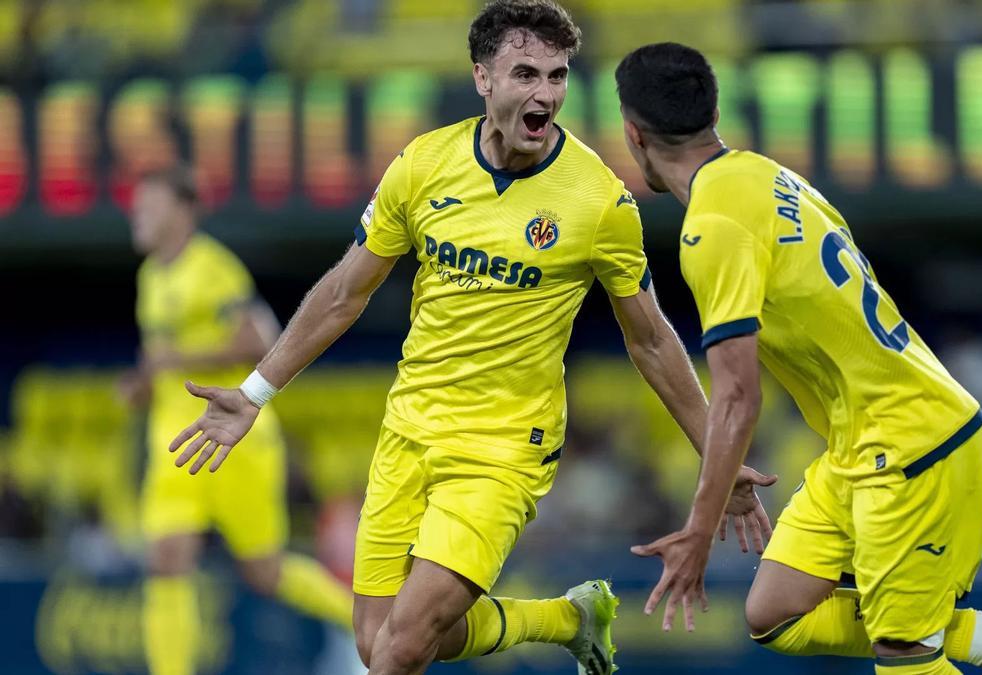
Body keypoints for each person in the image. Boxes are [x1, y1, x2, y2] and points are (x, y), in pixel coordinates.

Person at [166, 3, 774, 675]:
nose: (545, 94)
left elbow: (652, 340)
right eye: (525, 74)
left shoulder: (599, 201)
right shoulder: (423, 165)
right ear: (483, 78)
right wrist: (255, 392)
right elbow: (344, 292)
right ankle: (564, 618)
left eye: (557, 76)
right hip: (410, 429)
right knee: (376, 640)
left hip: (505, 448)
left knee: (399, 650)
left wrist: (715, 455)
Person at [615, 43, 982, 675]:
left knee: (902, 650)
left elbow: (739, 395)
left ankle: (941, 640)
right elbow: (862, 306)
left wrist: (698, 531)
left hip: (903, 447)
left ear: (633, 133)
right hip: (873, 441)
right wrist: (944, 424)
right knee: (776, 614)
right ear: (714, 113)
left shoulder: (714, 228)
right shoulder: (772, 176)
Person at [119, 166, 353, 675]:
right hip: (175, 443)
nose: (137, 214)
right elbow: (162, 360)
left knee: (265, 573)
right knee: (166, 560)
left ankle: (366, 626)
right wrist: (144, 382)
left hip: (233, 442)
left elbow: (259, 339)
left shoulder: (214, 268)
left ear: (183, 210)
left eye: (149, 205)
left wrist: (173, 360)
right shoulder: (150, 277)